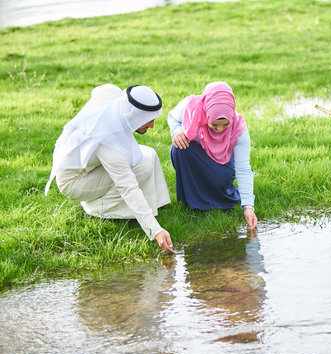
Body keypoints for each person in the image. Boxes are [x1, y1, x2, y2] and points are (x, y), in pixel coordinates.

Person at [44, 84, 175, 253]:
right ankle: (95, 209)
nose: (152, 125)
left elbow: (102, 89)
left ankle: (155, 206)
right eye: (148, 120)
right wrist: (155, 231)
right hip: (74, 182)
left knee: (148, 153)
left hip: (90, 168)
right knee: (142, 168)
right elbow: (128, 188)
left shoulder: (117, 101)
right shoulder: (107, 139)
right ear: (133, 115)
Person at [168, 81, 257, 229]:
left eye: (225, 125)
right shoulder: (190, 107)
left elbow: (243, 168)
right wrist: (176, 131)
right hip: (196, 154)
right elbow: (172, 117)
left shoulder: (239, 127)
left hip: (222, 162)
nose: (220, 130)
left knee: (220, 176)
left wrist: (248, 207)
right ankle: (191, 202)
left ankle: (220, 199)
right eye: (214, 125)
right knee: (178, 148)